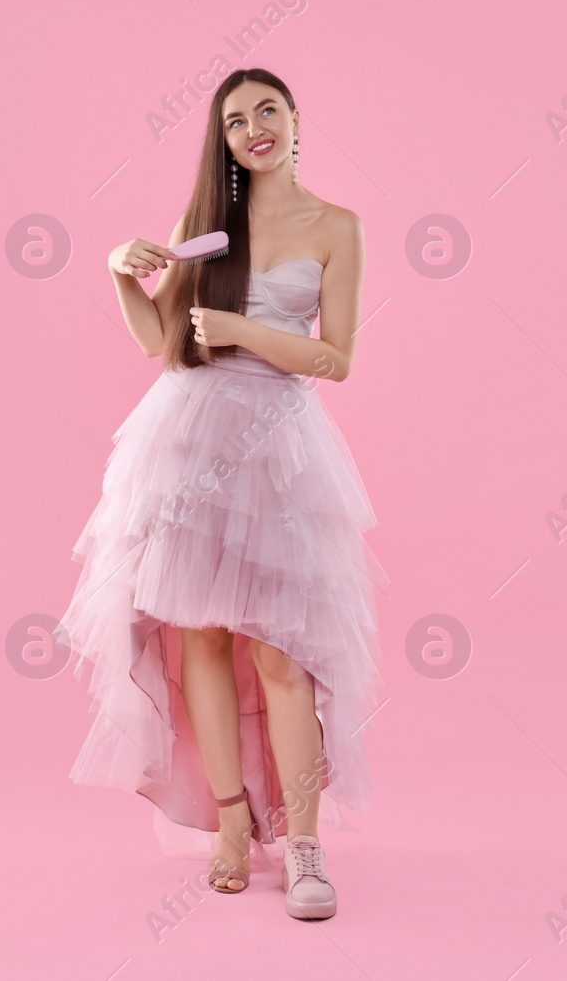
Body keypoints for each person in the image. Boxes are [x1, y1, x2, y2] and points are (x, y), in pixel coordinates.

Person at [57, 68, 386, 921]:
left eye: (267, 111)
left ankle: (306, 844)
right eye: (235, 120)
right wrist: (119, 272)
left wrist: (244, 330)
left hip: (277, 443)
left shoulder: (335, 228)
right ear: (225, 140)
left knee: (282, 652)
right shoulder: (205, 229)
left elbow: (336, 359)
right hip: (189, 436)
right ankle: (232, 824)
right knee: (197, 635)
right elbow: (162, 343)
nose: (253, 128)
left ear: (295, 119)